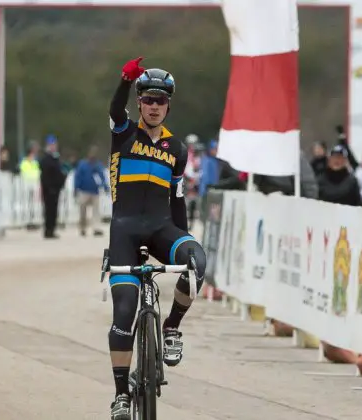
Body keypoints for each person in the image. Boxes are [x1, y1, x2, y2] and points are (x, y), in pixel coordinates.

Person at [107, 57, 207, 420]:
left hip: (163, 228)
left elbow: (177, 201)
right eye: (148, 99)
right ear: (139, 103)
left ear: (168, 105)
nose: (154, 106)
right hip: (125, 231)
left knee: (198, 261)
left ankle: (172, 328)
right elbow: (114, 107)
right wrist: (124, 79)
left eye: (160, 101)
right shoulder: (123, 131)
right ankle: (120, 394)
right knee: (123, 311)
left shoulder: (176, 150)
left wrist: (183, 240)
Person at [75, 145, 107, 237]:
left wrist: (105, 186)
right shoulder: (83, 164)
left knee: (96, 211)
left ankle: (96, 228)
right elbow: (78, 176)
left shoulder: (98, 165)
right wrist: (76, 187)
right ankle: (82, 228)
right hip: (84, 191)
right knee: (82, 210)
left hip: (95, 191)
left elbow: (102, 176)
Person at [39, 135, 66, 239]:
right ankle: (48, 230)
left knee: (54, 210)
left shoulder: (56, 158)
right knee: (49, 210)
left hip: (56, 188)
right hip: (49, 189)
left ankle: (52, 229)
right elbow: (46, 174)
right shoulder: (46, 159)